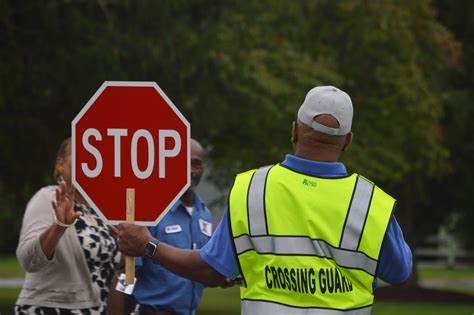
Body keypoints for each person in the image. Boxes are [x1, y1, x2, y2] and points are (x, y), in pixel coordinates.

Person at [114, 86, 413, 315]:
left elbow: (210, 268)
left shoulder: (252, 189)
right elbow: (399, 272)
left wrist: (147, 246)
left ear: (294, 130)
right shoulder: (371, 202)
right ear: (347, 141)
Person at [15, 137, 121, 314]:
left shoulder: (106, 210)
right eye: (82, 154)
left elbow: (117, 273)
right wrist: (59, 227)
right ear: (60, 164)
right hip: (52, 309)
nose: (91, 159)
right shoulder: (48, 198)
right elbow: (28, 260)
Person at [111, 139, 214, 315]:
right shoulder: (151, 212)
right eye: (183, 163)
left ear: (203, 168)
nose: (190, 171)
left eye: (196, 164)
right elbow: (127, 275)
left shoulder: (204, 214)